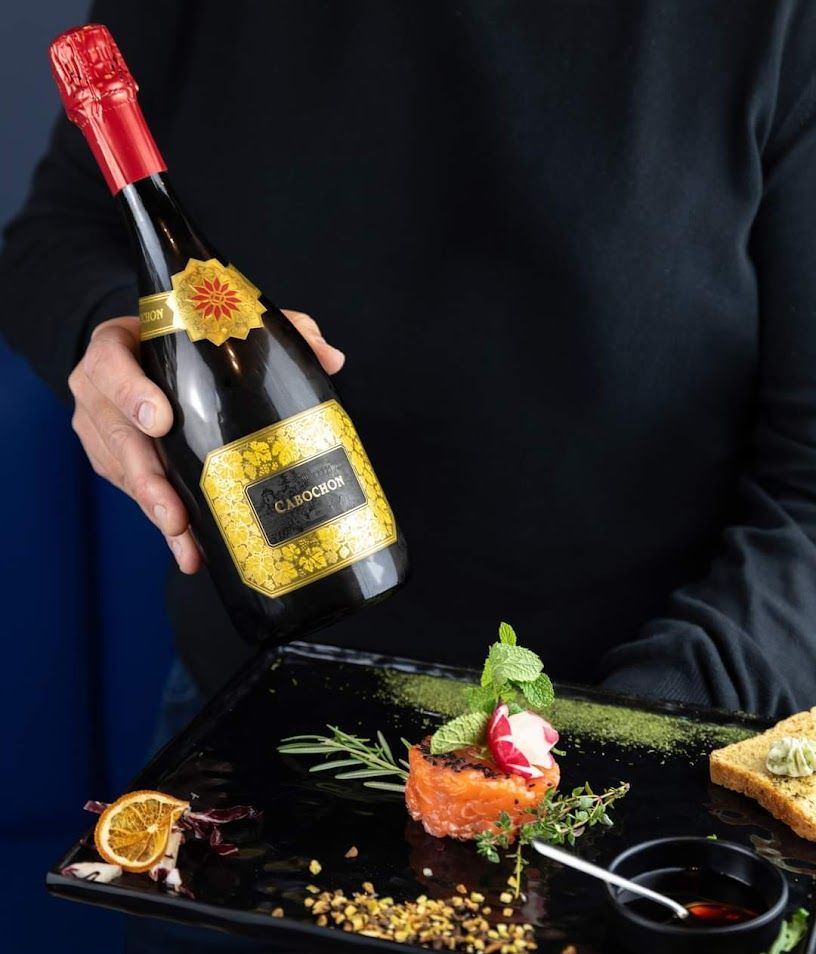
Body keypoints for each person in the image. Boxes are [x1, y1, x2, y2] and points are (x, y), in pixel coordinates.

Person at [3, 0, 816, 728]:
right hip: (253, 704)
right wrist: (105, 338)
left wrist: (633, 730)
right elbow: (56, 231)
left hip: (646, 717)